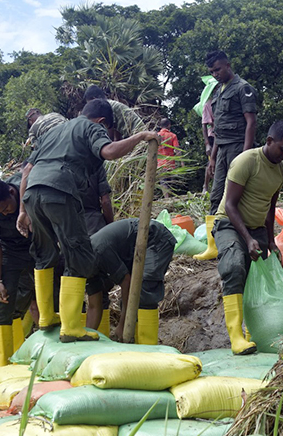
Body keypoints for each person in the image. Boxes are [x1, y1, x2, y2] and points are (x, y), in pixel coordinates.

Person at [16, 98, 160, 342]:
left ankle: (47, 317)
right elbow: (109, 152)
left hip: (32, 195)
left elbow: (26, 172)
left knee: (44, 254)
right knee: (78, 255)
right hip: (60, 191)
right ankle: (71, 327)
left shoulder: (55, 131)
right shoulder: (90, 127)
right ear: (102, 121)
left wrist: (22, 210)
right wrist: (141, 137)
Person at [213, 120, 283, 355]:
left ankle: (254, 333)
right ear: (269, 141)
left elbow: (271, 206)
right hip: (229, 224)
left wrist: (270, 240)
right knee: (233, 267)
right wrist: (247, 238)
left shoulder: (281, 170)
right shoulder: (246, 161)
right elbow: (230, 205)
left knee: (256, 277)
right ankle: (237, 337)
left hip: (258, 229)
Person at [195, 50, 257, 261]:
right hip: (220, 150)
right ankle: (214, 246)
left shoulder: (243, 88)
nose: (215, 74)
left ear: (228, 65)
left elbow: (251, 122)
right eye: (212, 71)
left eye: (218, 69)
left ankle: (243, 244)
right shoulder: (218, 92)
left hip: (238, 148)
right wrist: (212, 159)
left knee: (237, 197)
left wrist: (245, 155)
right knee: (216, 195)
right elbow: (218, 131)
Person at [85, 219, 176, 344]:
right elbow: (94, 306)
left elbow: (126, 283)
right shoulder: (84, 269)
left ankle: (147, 348)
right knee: (120, 294)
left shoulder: (99, 251)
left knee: (144, 287)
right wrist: (86, 337)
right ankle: (134, 340)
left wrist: (123, 325)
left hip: (154, 238)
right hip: (131, 249)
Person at [0, 175, 38, 366]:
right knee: (2, 303)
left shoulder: (30, 190)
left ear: (12, 193)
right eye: (0, 213)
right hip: (10, 252)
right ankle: (3, 365)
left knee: (53, 295)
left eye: (7, 209)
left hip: (38, 246)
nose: (5, 214)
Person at [80, 165, 115, 336]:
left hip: (70, 226)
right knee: (100, 286)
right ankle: (102, 337)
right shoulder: (95, 167)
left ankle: (76, 336)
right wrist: (111, 226)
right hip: (95, 225)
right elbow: (105, 201)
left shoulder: (63, 164)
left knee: (77, 285)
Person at [157, 118, 181, 198]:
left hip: (160, 164)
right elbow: (177, 149)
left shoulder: (157, 136)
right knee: (169, 183)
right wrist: (181, 162)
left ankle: (167, 199)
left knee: (163, 183)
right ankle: (169, 199)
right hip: (170, 164)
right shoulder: (172, 136)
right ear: (169, 125)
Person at [201, 99, 215, 193]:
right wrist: (207, 144)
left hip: (225, 135)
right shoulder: (208, 104)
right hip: (212, 137)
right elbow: (204, 125)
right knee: (211, 162)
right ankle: (205, 186)